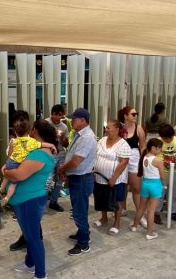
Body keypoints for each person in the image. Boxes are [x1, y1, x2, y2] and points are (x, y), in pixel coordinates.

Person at [3, 119, 57, 279]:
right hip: (29, 199)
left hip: (29, 200)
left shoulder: (39, 154)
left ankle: (41, 276)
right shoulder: (39, 149)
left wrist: (4, 170)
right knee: (29, 235)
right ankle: (30, 263)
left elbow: (18, 175)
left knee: (33, 237)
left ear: (34, 130)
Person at [58, 108, 97, 256]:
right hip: (77, 177)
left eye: (74, 119)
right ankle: (82, 232)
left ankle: (83, 243)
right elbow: (72, 156)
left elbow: (75, 161)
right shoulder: (79, 134)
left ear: (83, 120)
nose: (72, 121)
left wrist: (62, 170)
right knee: (79, 209)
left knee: (79, 212)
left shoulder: (87, 137)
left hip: (81, 179)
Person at [0, 118, 54, 207]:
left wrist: (4, 170)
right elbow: (18, 175)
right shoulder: (32, 142)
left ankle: (1, 188)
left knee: (7, 176)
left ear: (15, 132)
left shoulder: (14, 141)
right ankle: (7, 198)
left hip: (11, 162)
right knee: (13, 184)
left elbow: (10, 154)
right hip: (18, 167)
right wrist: (51, 145)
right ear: (29, 131)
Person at [93, 119, 131, 235]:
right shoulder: (102, 140)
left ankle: (117, 223)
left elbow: (123, 162)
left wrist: (114, 177)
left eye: (109, 128)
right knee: (101, 198)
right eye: (106, 127)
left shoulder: (123, 144)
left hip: (116, 179)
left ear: (117, 129)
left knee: (117, 200)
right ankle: (104, 218)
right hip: (99, 177)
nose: (106, 130)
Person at [132, 138, 165, 240]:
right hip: (155, 185)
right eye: (159, 148)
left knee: (141, 208)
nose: (160, 150)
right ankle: (149, 233)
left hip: (145, 184)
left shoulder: (144, 157)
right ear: (154, 148)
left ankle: (134, 226)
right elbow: (163, 176)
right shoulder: (158, 161)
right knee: (151, 211)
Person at [155, 124, 176, 224]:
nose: (168, 140)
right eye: (165, 138)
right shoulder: (157, 141)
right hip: (161, 172)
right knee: (160, 192)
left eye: (170, 138)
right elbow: (153, 156)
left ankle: (172, 212)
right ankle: (156, 212)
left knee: (174, 192)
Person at [120, 106, 147, 214]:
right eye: (133, 114)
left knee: (136, 188)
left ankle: (140, 214)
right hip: (121, 157)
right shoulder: (120, 128)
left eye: (136, 114)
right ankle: (122, 208)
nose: (136, 116)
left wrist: (142, 161)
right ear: (125, 116)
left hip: (134, 158)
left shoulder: (138, 128)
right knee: (123, 185)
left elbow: (143, 146)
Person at [46, 104, 68, 212]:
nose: (59, 118)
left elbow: (66, 144)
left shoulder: (64, 126)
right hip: (49, 155)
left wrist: (63, 138)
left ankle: (54, 202)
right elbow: (39, 140)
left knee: (60, 179)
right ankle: (42, 202)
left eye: (61, 115)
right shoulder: (45, 124)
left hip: (60, 154)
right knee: (48, 179)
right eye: (57, 115)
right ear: (52, 114)